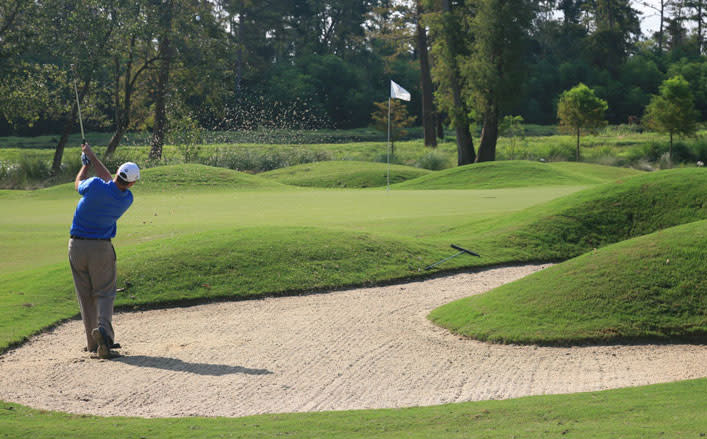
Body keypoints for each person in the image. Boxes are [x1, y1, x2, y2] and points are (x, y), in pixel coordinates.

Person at [68, 142, 140, 359]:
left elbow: (78, 184)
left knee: (85, 295)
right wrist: (92, 157)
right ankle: (104, 338)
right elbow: (112, 181)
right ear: (133, 183)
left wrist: (86, 164)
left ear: (117, 172)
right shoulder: (127, 198)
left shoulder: (96, 185)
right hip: (101, 248)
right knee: (105, 293)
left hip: (76, 246)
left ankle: (92, 344)